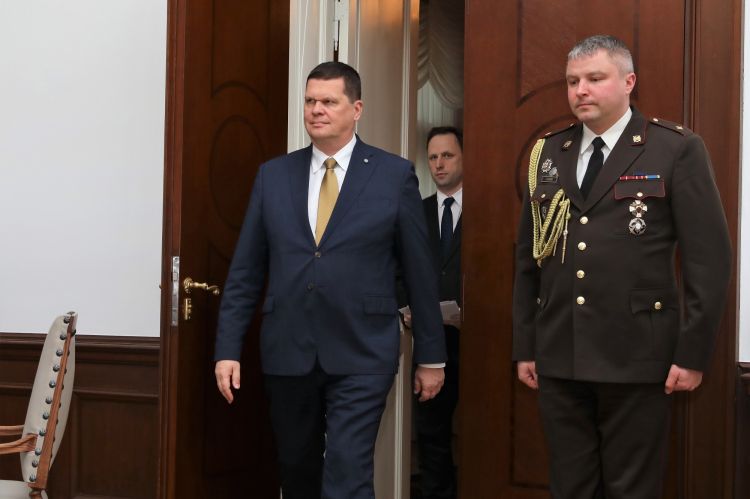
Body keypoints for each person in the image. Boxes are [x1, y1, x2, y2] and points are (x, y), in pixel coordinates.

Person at [213, 61, 446, 499]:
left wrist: (431, 357)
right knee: (296, 471)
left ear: (356, 109)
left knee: (347, 471)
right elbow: (245, 272)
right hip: (288, 350)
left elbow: (420, 272)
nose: (316, 110)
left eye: (328, 101)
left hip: (363, 350)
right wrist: (227, 348)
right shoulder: (273, 176)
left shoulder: (393, 175)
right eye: (310, 101)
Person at [512, 35, 731, 499]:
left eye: (595, 78)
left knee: (632, 489)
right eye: (572, 81)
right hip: (561, 353)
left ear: (629, 82)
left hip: (638, 355)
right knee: (569, 487)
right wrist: (526, 345)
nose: (580, 90)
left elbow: (708, 261)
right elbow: (529, 258)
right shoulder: (548, 152)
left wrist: (692, 354)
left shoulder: (673, 148)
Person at [401, 126, 463, 499]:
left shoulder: (487, 209)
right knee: (431, 430)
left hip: (477, 339)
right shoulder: (417, 212)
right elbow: (397, 267)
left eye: (448, 156)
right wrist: (404, 307)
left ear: (465, 157)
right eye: (433, 157)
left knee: (480, 427)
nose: (439, 164)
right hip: (429, 342)